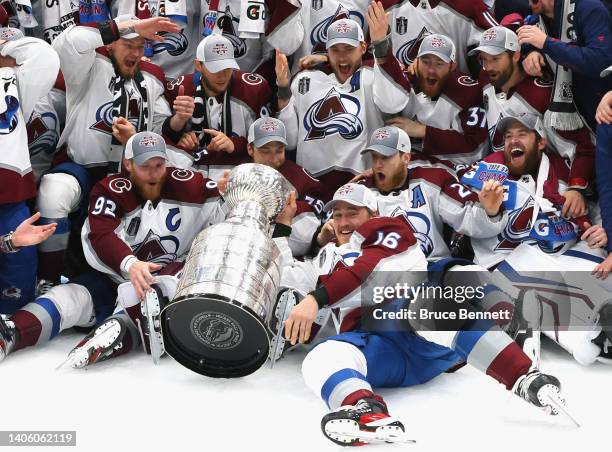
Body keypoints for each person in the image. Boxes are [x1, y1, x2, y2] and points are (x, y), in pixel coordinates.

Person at [292, 183, 566, 446]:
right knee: (320, 357)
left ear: (373, 214)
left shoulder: (389, 229)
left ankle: (525, 376)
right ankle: (365, 411)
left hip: (421, 334)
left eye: (353, 213)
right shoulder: (320, 260)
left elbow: (367, 272)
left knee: (434, 298)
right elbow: (294, 308)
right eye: (337, 215)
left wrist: (317, 299)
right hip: (377, 349)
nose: (344, 222)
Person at [0, 132, 224, 365]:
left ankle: (130, 324)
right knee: (68, 297)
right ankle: (11, 334)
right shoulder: (110, 190)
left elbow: (225, 210)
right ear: (128, 164)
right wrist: (131, 264)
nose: (154, 174)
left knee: (170, 284)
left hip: (173, 279)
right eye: (145, 166)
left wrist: (228, 192)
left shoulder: (191, 185)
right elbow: (101, 235)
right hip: (116, 279)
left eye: (159, 165)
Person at [35, 14, 182, 291]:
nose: (136, 53)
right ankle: (47, 279)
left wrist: (176, 125)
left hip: (125, 178)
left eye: (141, 46)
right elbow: (67, 41)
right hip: (82, 167)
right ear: (111, 43)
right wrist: (126, 26)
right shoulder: (89, 63)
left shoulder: (153, 77)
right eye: (129, 45)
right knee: (53, 192)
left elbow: (159, 133)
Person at [470, 25, 595, 220]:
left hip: (548, 175)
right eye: (483, 59)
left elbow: (582, 145)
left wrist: (576, 186)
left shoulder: (542, 93)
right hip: (505, 167)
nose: (489, 67)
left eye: (495, 58)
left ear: (516, 56)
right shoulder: (485, 79)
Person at [276, 18, 385, 201]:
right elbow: (290, 140)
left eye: (349, 49)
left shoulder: (373, 79)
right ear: (327, 49)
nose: (342, 57)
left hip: (361, 185)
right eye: (335, 50)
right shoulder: (305, 80)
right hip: (312, 187)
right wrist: (284, 90)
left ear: (363, 48)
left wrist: (326, 60)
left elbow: (394, 90)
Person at [367, 3, 489, 165]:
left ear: (452, 66)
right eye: (426, 61)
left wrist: (423, 131)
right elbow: (389, 103)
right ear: (416, 62)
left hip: (451, 175)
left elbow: (475, 151)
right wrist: (381, 45)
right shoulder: (407, 81)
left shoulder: (468, 92)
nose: (431, 70)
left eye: (439, 63)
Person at [358, 126, 505, 261]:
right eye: (374, 157)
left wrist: (491, 212)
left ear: (406, 158)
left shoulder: (431, 179)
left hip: (433, 267)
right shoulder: (360, 191)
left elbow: (467, 217)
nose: (377, 164)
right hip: (383, 276)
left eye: (385, 157)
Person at [0, 31, 60, 314]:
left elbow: (43, 56)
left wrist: (6, 46)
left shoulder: (12, 79)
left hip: (11, 200)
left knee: (17, 300)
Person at [164, 34, 272, 181]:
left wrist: (234, 145)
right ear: (198, 65)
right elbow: (163, 137)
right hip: (192, 174)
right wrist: (179, 124)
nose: (222, 75)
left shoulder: (253, 90)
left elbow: (269, 141)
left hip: (241, 175)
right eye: (215, 69)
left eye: (228, 67)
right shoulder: (180, 89)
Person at [517, 0, 612, 130]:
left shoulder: (589, 7)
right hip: (571, 117)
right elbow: (523, 45)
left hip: (603, 108)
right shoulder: (535, 19)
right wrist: (531, 52)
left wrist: (547, 44)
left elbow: (601, 61)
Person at [247, 117, 324, 257]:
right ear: (250, 149)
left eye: (279, 150)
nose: (274, 159)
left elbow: (314, 227)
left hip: (287, 256)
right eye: (266, 151)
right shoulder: (240, 175)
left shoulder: (301, 178)